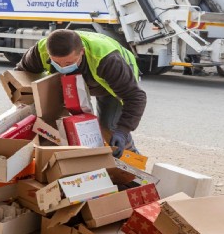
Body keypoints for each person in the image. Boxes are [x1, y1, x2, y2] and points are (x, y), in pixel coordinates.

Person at [16, 29, 146, 158]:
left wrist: (122, 132)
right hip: (70, 82)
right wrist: (22, 103)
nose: (62, 67)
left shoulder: (108, 60)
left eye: (69, 63)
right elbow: (20, 76)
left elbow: (135, 97)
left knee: (110, 127)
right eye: (56, 62)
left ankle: (135, 165)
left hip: (110, 84)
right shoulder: (40, 50)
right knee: (54, 121)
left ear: (82, 52)